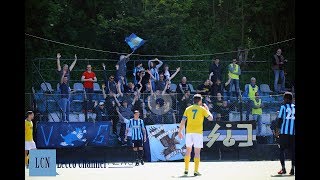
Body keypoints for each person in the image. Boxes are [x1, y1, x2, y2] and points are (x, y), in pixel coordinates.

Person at [178, 94, 214, 176]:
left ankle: (186, 170)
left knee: (188, 151)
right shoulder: (202, 109)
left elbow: (183, 121)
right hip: (198, 133)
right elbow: (211, 118)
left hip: (189, 132)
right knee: (197, 152)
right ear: (200, 101)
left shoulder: (188, 109)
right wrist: (207, 109)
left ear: (193, 101)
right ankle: (195, 171)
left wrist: (179, 131)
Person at [275, 92, 295, 175]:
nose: (283, 100)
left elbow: (279, 120)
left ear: (286, 99)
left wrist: (277, 131)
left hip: (284, 133)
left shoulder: (283, 107)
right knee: (293, 152)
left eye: (284, 99)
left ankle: (283, 168)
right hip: (293, 133)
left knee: (281, 150)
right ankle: (292, 169)